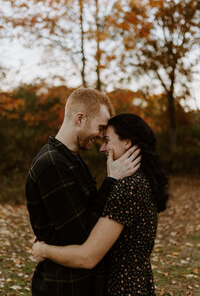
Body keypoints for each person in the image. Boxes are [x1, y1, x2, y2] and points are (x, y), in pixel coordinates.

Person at [33, 113, 169, 295]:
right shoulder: (138, 180)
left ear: (127, 142)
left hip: (123, 288)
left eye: (107, 140)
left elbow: (88, 256)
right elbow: (95, 224)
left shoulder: (129, 187)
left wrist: (44, 249)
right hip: (136, 283)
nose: (102, 148)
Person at [26, 89, 141, 296]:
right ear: (80, 119)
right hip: (63, 286)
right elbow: (80, 236)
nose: (100, 135)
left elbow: (84, 212)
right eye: (100, 128)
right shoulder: (52, 164)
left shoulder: (71, 158)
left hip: (80, 282)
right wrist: (111, 181)